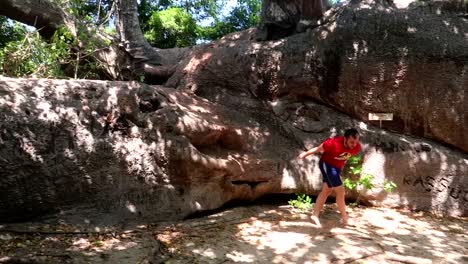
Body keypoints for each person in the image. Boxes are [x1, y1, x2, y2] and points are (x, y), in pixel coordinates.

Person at [298, 128, 361, 227]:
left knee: (326, 190)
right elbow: (318, 149)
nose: (354, 144)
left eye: (356, 142)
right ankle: (345, 219)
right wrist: (305, 154)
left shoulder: (356, 147)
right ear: (345, 139)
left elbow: (343, 157)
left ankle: (315, 215)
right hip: (327, 165)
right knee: (340, 191)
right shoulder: (333, 143)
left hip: (336, 168)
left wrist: (338, 168)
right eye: (351, 142)